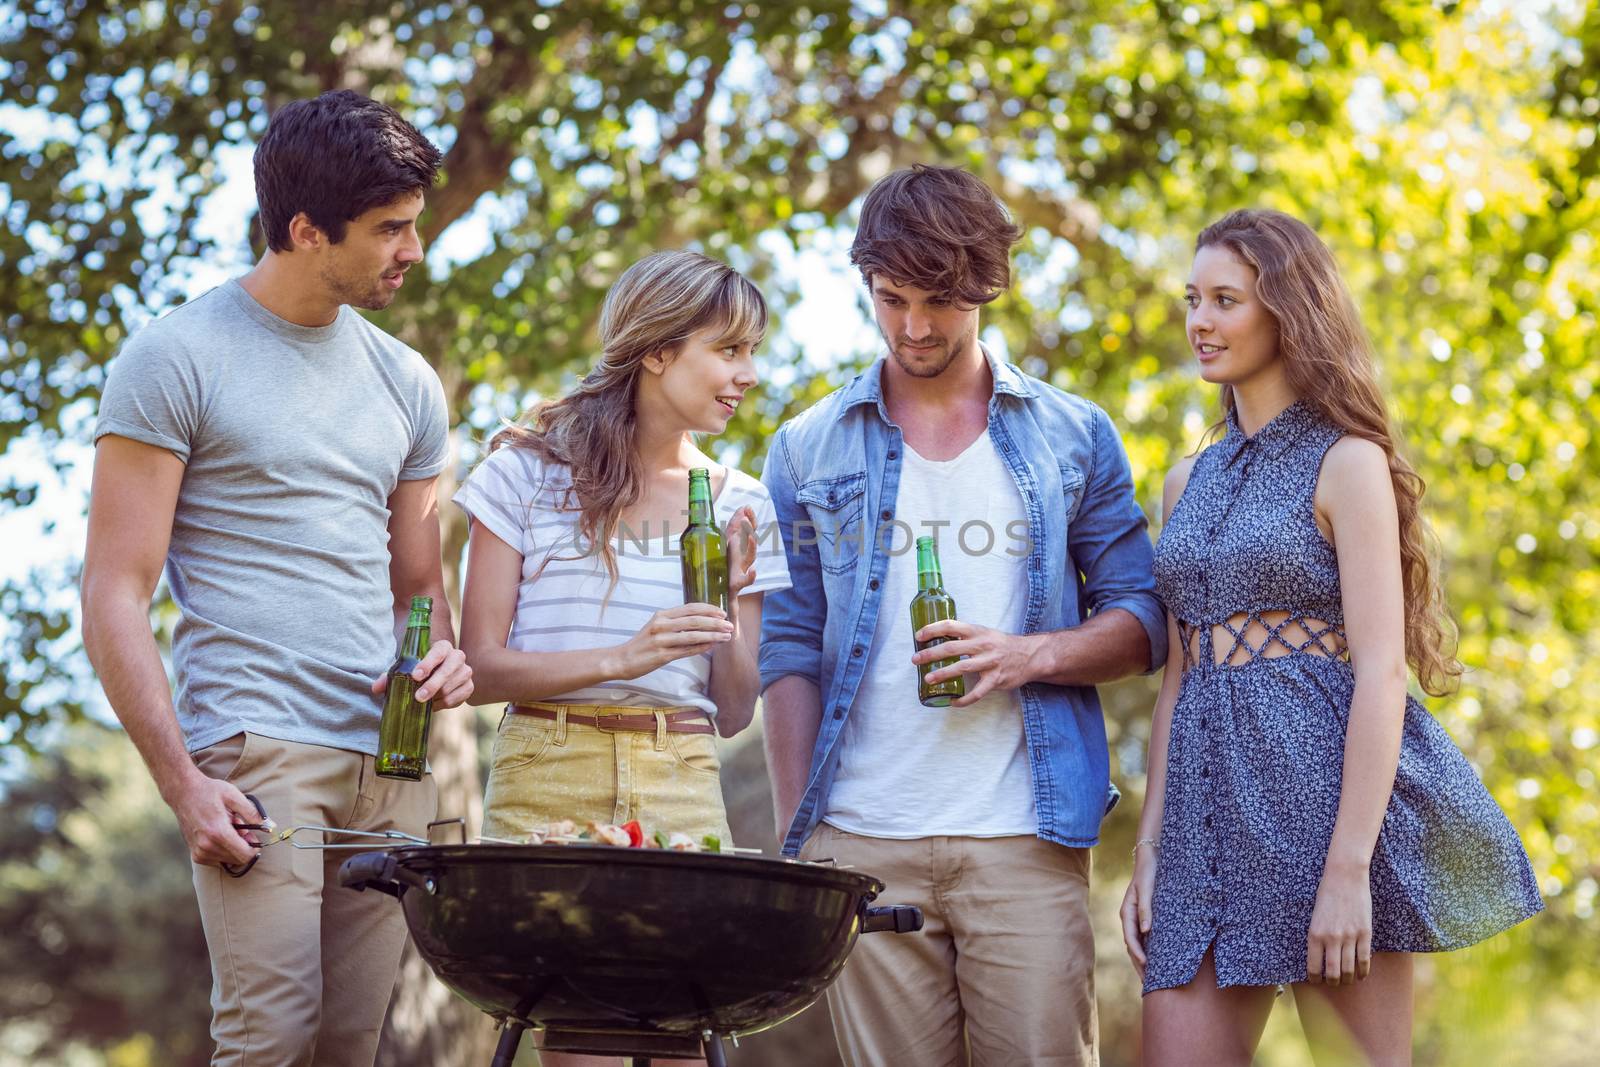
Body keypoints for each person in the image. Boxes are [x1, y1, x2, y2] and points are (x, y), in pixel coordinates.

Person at [80, 90, 474, 1066]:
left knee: (347, 1045)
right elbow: (112, 590)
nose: (411, 249)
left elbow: (418, 584)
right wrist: (183, 785)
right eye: (389, 229)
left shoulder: (407, 381)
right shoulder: (176, 357)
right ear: (305, 229)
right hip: (257, 751)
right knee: (271, 1036)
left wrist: (444, 656)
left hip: (389, 760)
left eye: (413, 224)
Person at [760, 165, 1166, 1067]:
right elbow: (787, 643)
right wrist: (805, 844)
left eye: (940, 301)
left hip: (1023, 832)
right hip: (861, 838)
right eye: (890, 298)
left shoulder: (1073, 433)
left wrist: (1032, 653)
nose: (913, 326)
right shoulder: (804, 446)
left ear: (988, 285)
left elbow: (1145, 619)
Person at [1120, 209, 1543, 1065]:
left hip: (1329, 822)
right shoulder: (1183, 481)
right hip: (1205, 832)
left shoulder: (1347, 462)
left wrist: (1350, 866)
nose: (1200, 321)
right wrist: (1151, 847)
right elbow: (1179, 680)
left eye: (1225, 300)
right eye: (1192, 299)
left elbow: (1384, 673)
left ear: (1286, 309)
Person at [454, 249, 790, 1067]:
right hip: (550, 771)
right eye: (731, 349)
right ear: (658, 350)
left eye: (753, 351)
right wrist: (625, 655)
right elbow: (480, 667)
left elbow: (737, 709)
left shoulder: (741, 503)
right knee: (584, 1037)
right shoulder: (525, 474)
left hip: (682, 771)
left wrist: (724, 616)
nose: (749, 372)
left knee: (682, 1037)